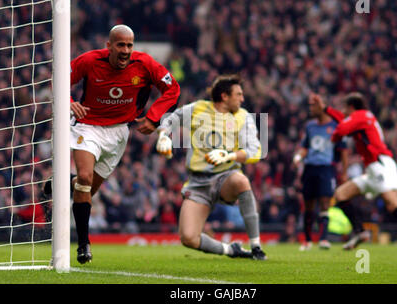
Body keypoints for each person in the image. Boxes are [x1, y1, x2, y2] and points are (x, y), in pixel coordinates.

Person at [45, 24, 180, 264]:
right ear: (109, 46)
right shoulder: (89, 60)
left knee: (85, 190)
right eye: (120, 45)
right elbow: (60, 78)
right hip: (87, 126)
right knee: (85, 179)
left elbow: (172, 88)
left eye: (129, 45)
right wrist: (68, 100)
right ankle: (83, 244)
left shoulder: (145, 64)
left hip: (119, 133)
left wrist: (154, 117)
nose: (126, 50)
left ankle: (63, 184)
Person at [155, 74, 267, 260]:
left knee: (241, 181)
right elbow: (169, 119)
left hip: (225, 176)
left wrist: (229, 155)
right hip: (198, 183)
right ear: (225, 96)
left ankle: (256, 247)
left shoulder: (243, 117)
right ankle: (232, 250)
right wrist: (164, 136)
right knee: (188, 238)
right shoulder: (198, 108)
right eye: (238, 94)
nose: (242, 98)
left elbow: (255, 150)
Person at [312, 92, 397, 252]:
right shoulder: (362, 117)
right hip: (372, 169)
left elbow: (341, 128)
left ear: (351, 107)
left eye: (345, 109)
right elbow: (344, 120)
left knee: (392, 203)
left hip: (380, 164)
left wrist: (334, 137)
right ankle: (360, 232)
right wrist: (326, 109)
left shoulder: (361, 115)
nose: (344, 112)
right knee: (341, 194)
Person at [293, 94, 348, 251]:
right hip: (310, 167)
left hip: (326, 168)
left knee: (325, 203)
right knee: (308, 204)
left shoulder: (335, 126)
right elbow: (305, 147)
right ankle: (308, 240)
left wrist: (344, 172)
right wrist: (298, 157)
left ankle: (324, 239)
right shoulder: (310, 126)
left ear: (322, 106)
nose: (311, 109)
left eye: (313, 106)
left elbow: (344, 151)